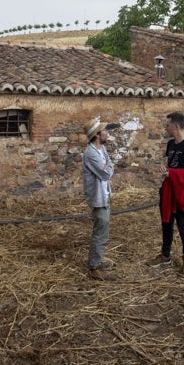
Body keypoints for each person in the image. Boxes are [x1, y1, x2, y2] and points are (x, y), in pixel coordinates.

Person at [148, 112, 184, 277]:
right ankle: (165, 256)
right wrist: (166, 171)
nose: (166, 127)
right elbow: (170, 165)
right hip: (168, 191)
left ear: (176, 126)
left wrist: (175, 174)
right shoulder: (171, 144)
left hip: (182, 193)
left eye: (168, 124)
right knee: (166, 224)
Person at [82, 118, 115, 280]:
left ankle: (98, 260)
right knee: (100, 231)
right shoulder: (90, 154)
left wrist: (108, 167)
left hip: (105, 195)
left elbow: (109, 164)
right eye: (104, 131)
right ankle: (94, 267)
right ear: (97, 135)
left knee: (104, 230)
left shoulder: (101, 149)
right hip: (98, 198)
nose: (107, 133)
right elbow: (106, 173)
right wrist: (108, 168)